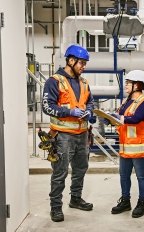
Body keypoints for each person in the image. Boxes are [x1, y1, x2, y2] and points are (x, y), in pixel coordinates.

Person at [42, 44, 94, 222]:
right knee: (60, 172)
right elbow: (47, 106)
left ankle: (76, 199)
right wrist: (69, 112)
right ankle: (56, 207)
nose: (84, 67)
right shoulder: (54, 81)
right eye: (81, 63)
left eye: (85, 63)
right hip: (62, 136)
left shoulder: (84, 82)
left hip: (82, 134)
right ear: (70, 61)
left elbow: (90, 103)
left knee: (80, 169)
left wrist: (89, 111)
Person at [103, 70, 144, 218]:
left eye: (128, 83)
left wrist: (118, 117)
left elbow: (136, 119)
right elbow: (121, 119)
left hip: (140, 147)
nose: (125, 85)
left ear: (137, 85)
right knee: (123, 176)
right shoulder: (126, 101)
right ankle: (125, 201)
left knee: (141, 177)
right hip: (125, 147)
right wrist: (109, 119)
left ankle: (142, 204)